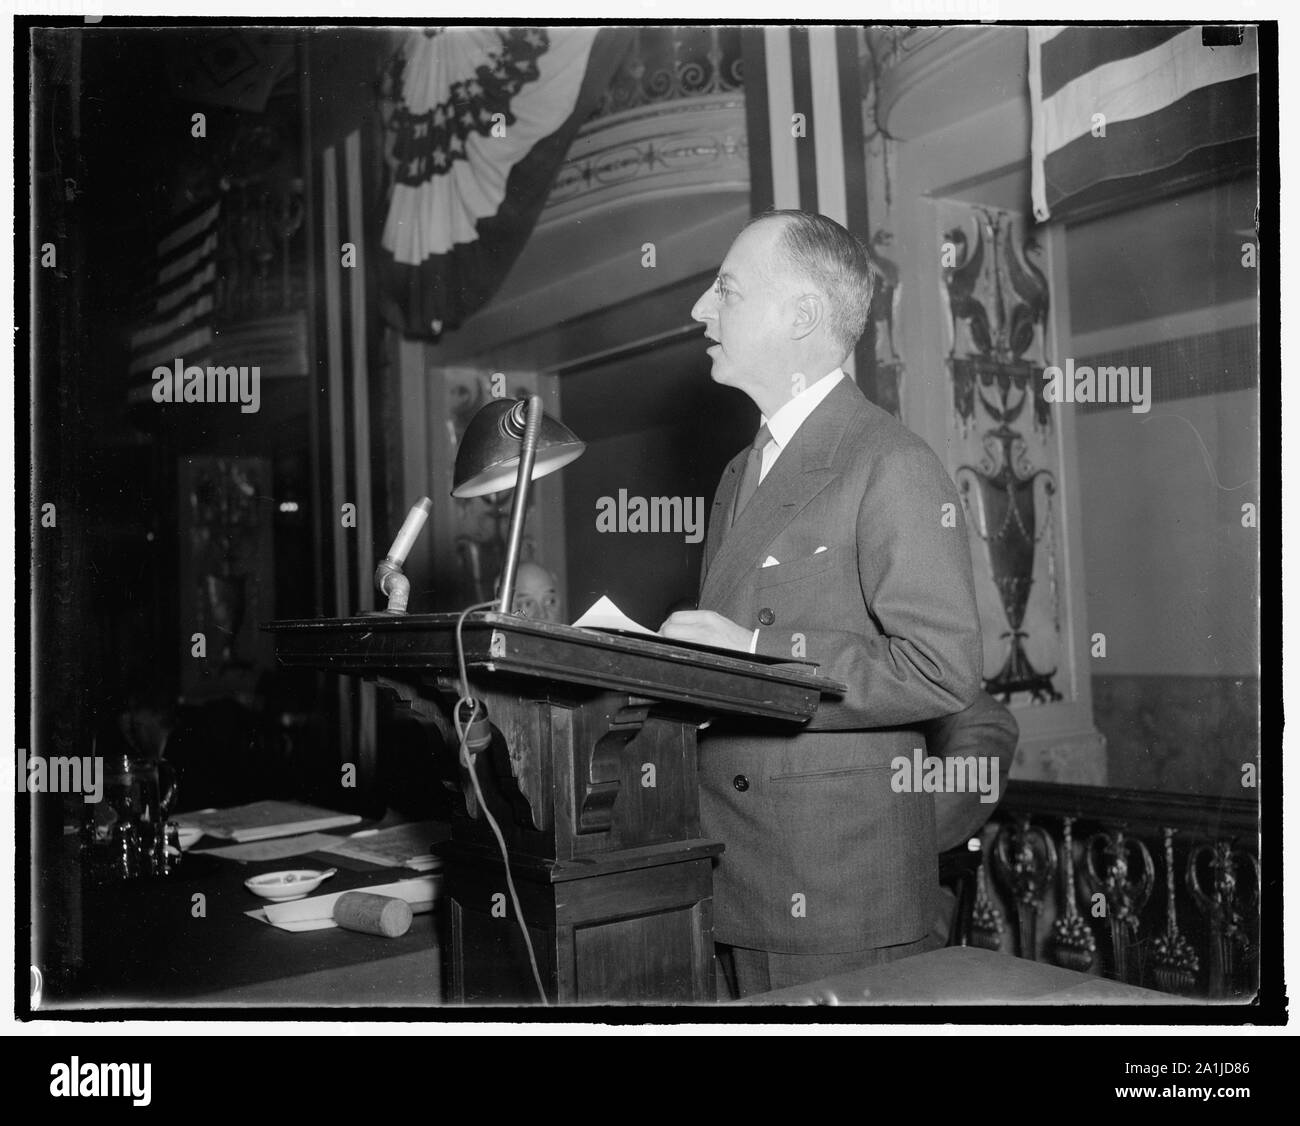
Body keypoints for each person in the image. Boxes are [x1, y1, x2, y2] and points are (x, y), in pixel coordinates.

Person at [660, 210, 984, 997]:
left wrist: (753, 655)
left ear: (802, 315)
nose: (701, 310)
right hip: (732, 870)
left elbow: (942, 670)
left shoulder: (889, 462)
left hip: (836, 895)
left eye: (726, 291)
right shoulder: (741, 473)